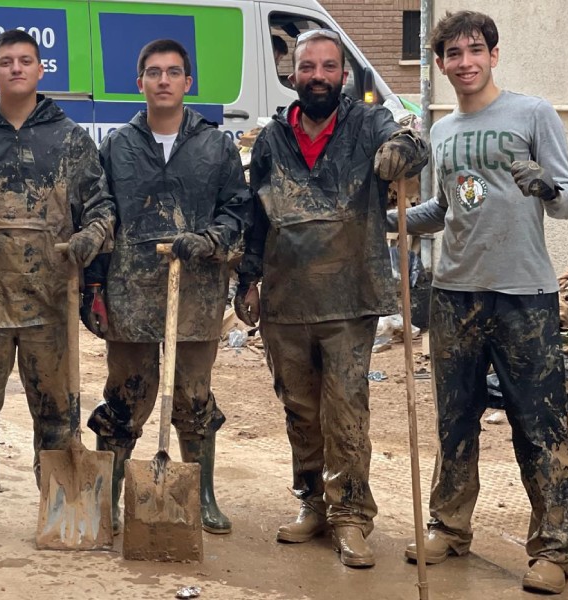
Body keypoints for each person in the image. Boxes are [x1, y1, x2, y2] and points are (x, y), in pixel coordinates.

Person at [392, 11, 568, 594]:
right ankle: (449, 526)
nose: (465, 61)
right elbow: (446, 211)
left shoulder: (532, 113)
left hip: (524, 294)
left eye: (475, 50)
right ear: (441, 63)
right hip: (453, 294)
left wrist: (546, 186)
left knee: (539, 424)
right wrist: (390, 222)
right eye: (452, 53)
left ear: (493, 55)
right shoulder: (442, 133)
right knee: (455, 419)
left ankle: (554, 548)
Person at [235, 28, 427, 568]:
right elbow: (256, 215)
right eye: (307, 67)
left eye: (328, 67)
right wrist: (246, 280)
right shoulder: (272, 138)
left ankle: (350, 518)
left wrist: (401, 150)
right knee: (299, 411)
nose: (317, 75)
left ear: (344, 74)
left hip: (349, 298)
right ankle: (312, 503)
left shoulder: (368, 124)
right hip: (286, 301)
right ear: (291, 74)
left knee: (345, 414)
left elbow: (415, 141)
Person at [0, 28, 114, 541]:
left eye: (25, 61)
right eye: (6, 61)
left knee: (57, 411)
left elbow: (104, 207)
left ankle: (60, 505)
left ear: (42, 71)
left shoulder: (69, 138)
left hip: (50, 303)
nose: (16, 68)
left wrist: (91, 237)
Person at [86, 39, 249, 536]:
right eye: (153, 72)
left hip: (196, 290)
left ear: (187, 83)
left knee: (194, 397)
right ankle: (108, 498)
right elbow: (100, 210)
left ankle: (200, 496)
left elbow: (237, 206)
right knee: (125, 396)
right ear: (140, 83)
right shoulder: (117, 145)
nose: (163, 80)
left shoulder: (215, 145)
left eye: (173, 72)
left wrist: (212, 239)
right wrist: (93, 286)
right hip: (131, 291)